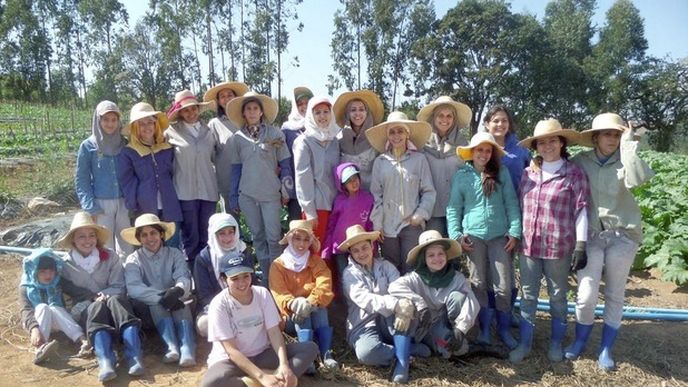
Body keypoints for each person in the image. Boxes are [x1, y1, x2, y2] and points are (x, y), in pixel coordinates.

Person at [566, 113, 654, 370]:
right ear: (595, 137)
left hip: (622, 236)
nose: (612, 139)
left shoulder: (626, 159)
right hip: (591, 236)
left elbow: (636, 179)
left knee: (615, 294)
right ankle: (580, 341)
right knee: (586, 295)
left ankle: (605, 349)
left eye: (616, 134)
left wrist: (629, 145)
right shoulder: (581, 161)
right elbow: (561, 171)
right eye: (607, 134)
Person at [510, 119, 590, 364]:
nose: (547, 146)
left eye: (552, 140)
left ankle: (556, 343)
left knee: (557, 296)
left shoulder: (573, 173)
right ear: (536, 147)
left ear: (561, 142)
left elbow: (582, 210)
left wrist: (581, 244)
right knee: (529, 295)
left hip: (559, 246)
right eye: (542, 142)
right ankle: (525, 343)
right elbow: (519, 206)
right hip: (529, 246)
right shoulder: (528, 173)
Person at [446, 132, 521, 349]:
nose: (484, 154)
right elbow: (453, 209)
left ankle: (504, 329)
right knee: (478, 283)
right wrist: (457, 236)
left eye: (488, 150)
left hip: (500, 236)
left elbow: (511, 203)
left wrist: (515, 231)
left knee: (504, 286)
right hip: (474, 236)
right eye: (480, 150)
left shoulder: (502, 172)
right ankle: (485, 330)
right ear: (472, 152)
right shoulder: (463, 176)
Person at [200, 251, 319, 387]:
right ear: (223, 279)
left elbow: (274, 332)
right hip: (231, 361)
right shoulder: (219, 304)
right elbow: (231, 351)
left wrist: (284, 364)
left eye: (246, 276)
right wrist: (261, 377)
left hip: (262, 354)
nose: (242, 283)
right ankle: (266, 380)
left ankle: (276, 376)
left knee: (310, 348)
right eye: (234, 278)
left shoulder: (262, 294)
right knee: (210, 383)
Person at [56, 211, 144, 380]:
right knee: (96, 307)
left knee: (118, 300)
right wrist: (93, 299)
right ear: (73, 240)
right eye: (81, 236)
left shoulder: (110, 256)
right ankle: (106, 360)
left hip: (112, 306)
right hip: (85, 311)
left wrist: (104, 296)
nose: (87, 240)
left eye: (91, 235)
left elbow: (119, 285)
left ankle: (133, 356)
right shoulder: (65, 264)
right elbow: (67, 296)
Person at [388, 230, 479, 383]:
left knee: (458, 349)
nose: (437, 259)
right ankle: (410, 353)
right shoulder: (415, 277)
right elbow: (394, 287)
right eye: (431, 255)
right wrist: (420, 304)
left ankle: (447, 337)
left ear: (446, 256)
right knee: (405, 306)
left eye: (440, 254)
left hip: (439, 322)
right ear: (424, 258)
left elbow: (472, 301)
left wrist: (461, 329)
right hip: (420, 323)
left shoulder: (457, 278)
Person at [340, 225, 430, 372]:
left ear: (372, 246)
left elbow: (399, 288)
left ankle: (401, 359)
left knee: (407, 308)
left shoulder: (386, 266)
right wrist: (396, 304)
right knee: (367, 354)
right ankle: (404, 352)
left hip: (387, 318)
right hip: (363, 323)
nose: (361, 253)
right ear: (351, 253)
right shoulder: (349, 274)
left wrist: (403, 303)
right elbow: (365, 299)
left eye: (364, 247)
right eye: (356, 251)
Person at [227, 91, 292, 285]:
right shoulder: (237, 138)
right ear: (244, 113)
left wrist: (286, 189)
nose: (252, 112)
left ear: (262, 112)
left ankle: (278, 279)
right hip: (247, 195)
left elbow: (285, 163)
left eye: (256, 108)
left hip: (270, 194)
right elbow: (236, 168)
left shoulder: (274, 134)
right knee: (258, 237)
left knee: (274, 237)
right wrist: (233, 195)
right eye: (248, 109)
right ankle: (265, 278)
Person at [121, 213, 196, 367]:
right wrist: (162, 297)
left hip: (177, 299)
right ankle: (171, 347)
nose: (150, 238)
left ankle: (187, 347)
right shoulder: (133, 259)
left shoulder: (174, 253)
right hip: (149, 309)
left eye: (153, 233)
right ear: (139, 239)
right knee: (157, 303)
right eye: (144, 235)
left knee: (181, 300)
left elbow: (183, 276)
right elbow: (134, 287)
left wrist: (178, 290)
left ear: (161, 234)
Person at [367, 111, 436, 274]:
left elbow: (428, 191)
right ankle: (395, 300)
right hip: (388, 225)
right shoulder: (380, 162)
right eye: (392, 131)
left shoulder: (419, 160)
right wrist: (378, 223)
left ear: (407, 134)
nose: (396, 136)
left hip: (411, 223)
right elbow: (376, 195)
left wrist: (419, 215)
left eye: (400, 131)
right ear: (387, 135)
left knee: (412, 266)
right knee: (391, 266)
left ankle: (413, 299)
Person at [483, 105, 531, 326]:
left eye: (504, 120)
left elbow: (533, 170)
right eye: (495, 121)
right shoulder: (482, 149)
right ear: (487, 124)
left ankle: (507, 312)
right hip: (488, 218)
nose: (500, 124)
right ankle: (489, 313)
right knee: (487, 270)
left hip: (513, 214)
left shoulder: (520, 150)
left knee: (507, 269)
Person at [268, 220, 338, 371]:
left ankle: (326, 353)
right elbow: (279, 293)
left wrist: (310, 302)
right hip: (290, 316)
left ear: (311, 242)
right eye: (297, 238)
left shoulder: (316, 262)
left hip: (313, 309)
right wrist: (295, 304)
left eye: (306, 240)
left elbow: (324, 286)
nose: (301, 244)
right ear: (290, 239)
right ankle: (308, 357)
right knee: (302, 311)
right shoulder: (278, 265)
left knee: (319, 309)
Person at [117, 102, 182, 248]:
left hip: (170, 204)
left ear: (156, 124)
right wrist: (133, 206)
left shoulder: (166, 148)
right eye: (141, 124)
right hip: (145, 207)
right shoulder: (129, 152)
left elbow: (174, 173)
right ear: (135, 128)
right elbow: (127, 181)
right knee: (149, 246)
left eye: (150, 122)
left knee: (172, 244)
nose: (147, 127)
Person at [166, 89, 219, 266]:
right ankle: (192, 275)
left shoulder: (209, 131)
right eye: (186, 110)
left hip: (208, 190)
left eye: (194, 108)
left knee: (207, 234)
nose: (191, 113)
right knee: (190, 236)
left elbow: (217, 157)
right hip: (184, 191)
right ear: (180, 112)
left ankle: (208, 273)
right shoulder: (171, 132)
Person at [75, 100, 132, 258]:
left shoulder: (124, 144)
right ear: (98, 120)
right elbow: (82, 179)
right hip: (101, 204)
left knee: (127, 244)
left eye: (114, 120)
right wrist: (90, 206)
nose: (110, 124)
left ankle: (128, 278)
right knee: (105, 246)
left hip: (124, 201)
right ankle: (109, 279)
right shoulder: (88, 146)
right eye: (106, 119)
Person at [19, 249, 90, 366]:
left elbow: (75, 290)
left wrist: (94, 295)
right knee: (43, 307)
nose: (48, 275)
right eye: (43, 272)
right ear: (34, 272)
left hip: (57, 321)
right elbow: (25, 310)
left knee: (54, 308)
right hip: (35, 323)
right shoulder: (26, 287)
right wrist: (34, 329)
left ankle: (83, 340)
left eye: (51, 271)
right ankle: (40, 348)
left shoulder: (57, 281)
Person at [194, 212, 255, 337]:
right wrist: (227, 308)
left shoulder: (243, 251)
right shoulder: (204, 258)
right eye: (222, 233)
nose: (227, 238)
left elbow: (251, 282)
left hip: (244, 301)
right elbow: (204, 294)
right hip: (217, 305)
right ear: (214, 234)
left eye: (230, 232)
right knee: (204, 325)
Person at [417, 96, 471, 236]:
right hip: (432, 209)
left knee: (455, 251)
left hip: (457, 207)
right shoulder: (422, 144)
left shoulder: (464, 144)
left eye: (449, 116)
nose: (444, 119)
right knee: (435, 249)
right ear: (434, 118)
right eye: (440, 115)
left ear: (454, 119)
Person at [293, 95, 340, 255]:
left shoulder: (334, 140)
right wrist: (309, 210)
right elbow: (302, 177)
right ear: (310, 116)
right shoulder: (304, 142)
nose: (322, 116)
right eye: (317, 112)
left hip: (336, 204)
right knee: (316, 251)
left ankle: (333, 281)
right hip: (317, 206)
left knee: (333, 250)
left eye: (326, 112)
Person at [203, 81, 249, 214]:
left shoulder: (246, 120)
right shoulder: (214, 124)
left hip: (251, 179)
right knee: (231, 223)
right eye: (222, 96)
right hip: (227, 181)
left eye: (230, 94)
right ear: (218, 101)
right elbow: (210, 155)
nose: (226, 98)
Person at [322, 162, 374, 278]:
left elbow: (370, 223)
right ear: (342, 184)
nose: (353, 182)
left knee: (364, 274)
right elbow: (332, 225)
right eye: (348, 181)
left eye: (355, 178)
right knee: (345, 276)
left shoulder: (368, 198)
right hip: (340, 246)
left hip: (360, 246)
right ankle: (346, 297)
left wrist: (373, 245)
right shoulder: (339, 201)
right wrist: (327, 249)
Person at [333, 90, 384, 190]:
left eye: (361, 109)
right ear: (347, 113)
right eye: (353, 110)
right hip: (348, 197)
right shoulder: (338, 139)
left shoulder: (376, 138)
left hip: (372, 196)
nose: (357, 113)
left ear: (367, 112)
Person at [281, 86, 313, 222]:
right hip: (295, 189)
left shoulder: (321, 127)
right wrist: (285, 190)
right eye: (300, 104)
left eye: (307, 103)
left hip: (316, 189)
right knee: (298, 229)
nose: (304, 107)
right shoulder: (287, 130)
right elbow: (284, 161)